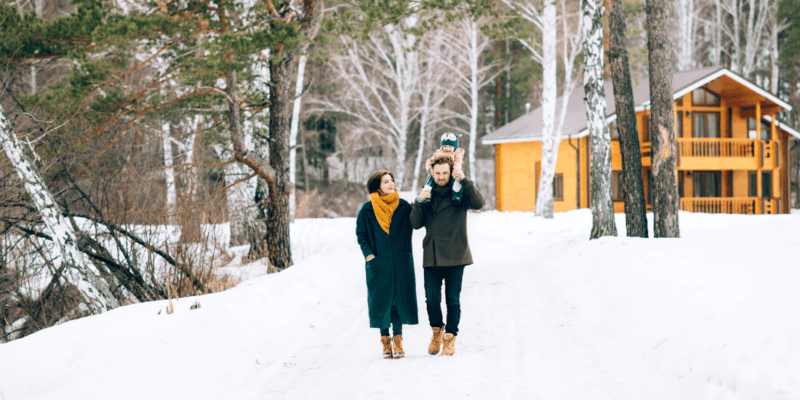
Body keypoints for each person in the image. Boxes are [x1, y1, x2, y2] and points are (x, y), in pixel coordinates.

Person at [410, 156, 484, 356]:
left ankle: (450, 337)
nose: (441, 177)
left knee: (453, 300)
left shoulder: (459, 192)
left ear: (451, 172)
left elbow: (479, 203)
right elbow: (415, 224)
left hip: (456, 253)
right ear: (431, 174)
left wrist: (464, 179)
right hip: (433, 255)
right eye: (437, 173)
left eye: (445, 173)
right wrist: (419, 200)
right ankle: (437, 331)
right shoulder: (427, 193)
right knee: (431, 300)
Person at [356, 170, 419, 359]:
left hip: (401, 261)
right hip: (378, 262)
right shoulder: (367, 210)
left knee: (398, 299)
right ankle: (385, 341)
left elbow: (416, 222)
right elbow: (362, 235)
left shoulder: (404, 206)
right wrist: (369, 255)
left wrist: (421, 202)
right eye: (386, 182)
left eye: (392, 180)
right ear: (377, 187)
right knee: (382, 300)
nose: (391, 184)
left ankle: (398, 339)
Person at [417, 133, 465, 205]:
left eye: (450, 147)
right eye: (445, 146)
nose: (447, 148)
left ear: (454, 148)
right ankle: (426, 194)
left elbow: (458, 163)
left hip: (451, 173)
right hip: (438, 171)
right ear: (441, 147)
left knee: (456, 182)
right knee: (430, 180)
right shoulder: (438, 153)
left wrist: (456, 172)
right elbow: (430, 160)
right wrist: (429, 168)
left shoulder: (456, 154)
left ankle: (456, 196)